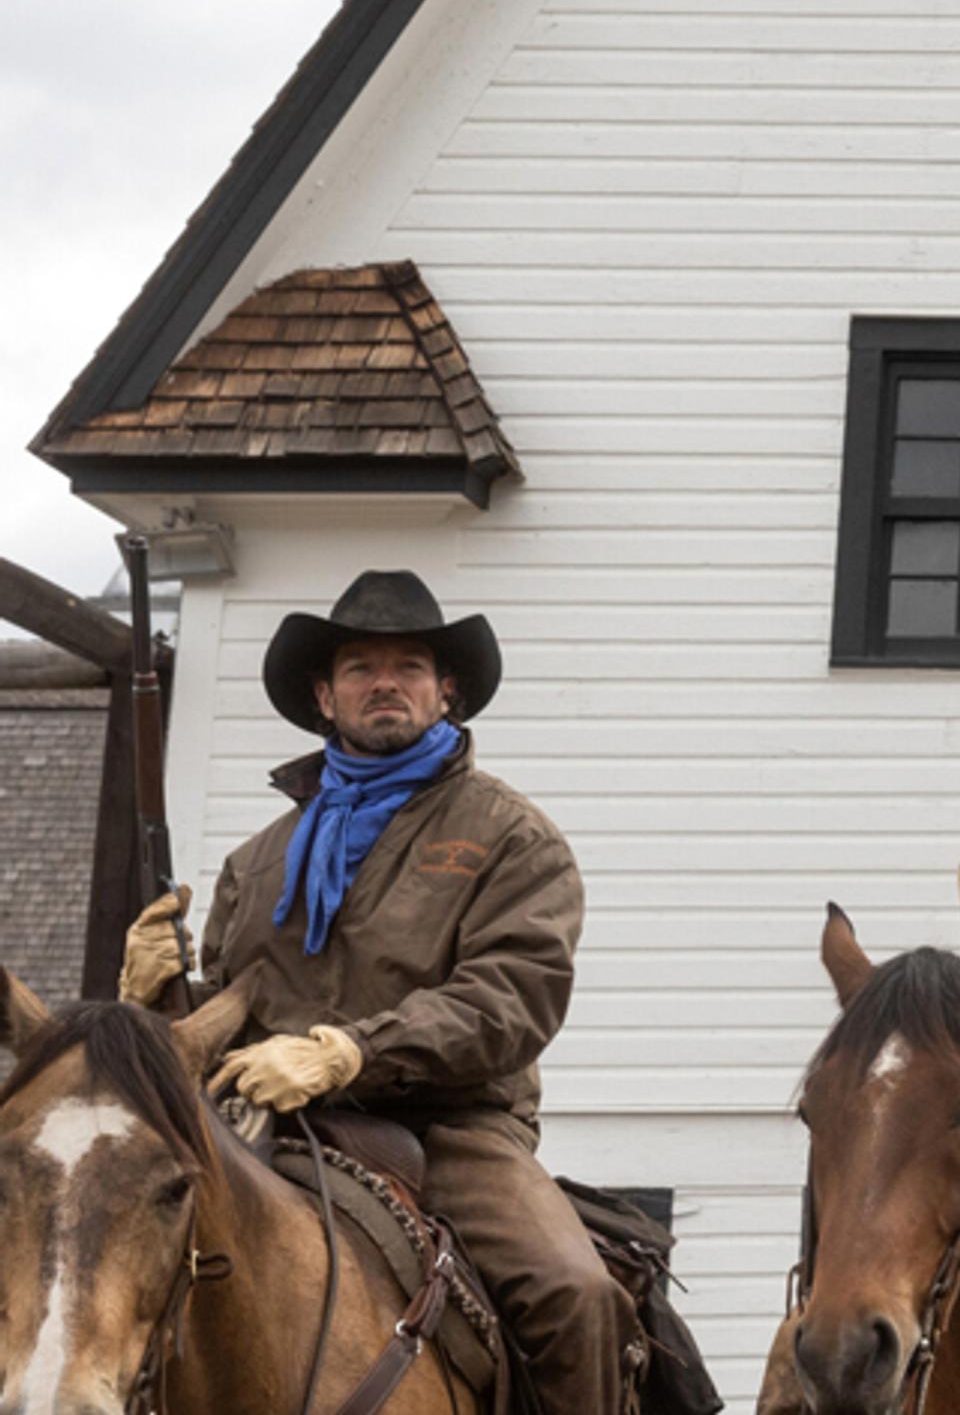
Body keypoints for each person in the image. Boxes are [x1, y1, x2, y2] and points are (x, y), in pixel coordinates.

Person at [121, 570, 638, 1415]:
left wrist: (349, 1052)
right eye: (360, 667)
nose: (385, 682)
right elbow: (220, 1014)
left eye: (410, 666)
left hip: (448, 1127)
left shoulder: (513, 837)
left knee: (575, 1296)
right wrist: (155, 997)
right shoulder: (256, 860)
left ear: (448, 693)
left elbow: (512, 998)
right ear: (325, 697)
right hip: (261, 1116)